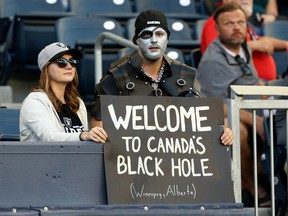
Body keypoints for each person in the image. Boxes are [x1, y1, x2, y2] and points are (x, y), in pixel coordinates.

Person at [90, 9, 234, 146]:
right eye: (146, 34)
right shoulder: (116, 77)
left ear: (167, 39)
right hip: (133, 162)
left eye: (159, 34)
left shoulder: (186, 75)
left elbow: (203, 120)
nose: (154, 40)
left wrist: (222, 133)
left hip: (175, 160)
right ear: (136, 40)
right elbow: (98, 123)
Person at [196, 2, 271, 207]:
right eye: (229, 23)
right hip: (221, 114)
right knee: (237, 131)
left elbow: (251, 80)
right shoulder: (213, 61)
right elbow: (210, 106)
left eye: (240, 22)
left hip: (251, 107)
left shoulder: (242, 46)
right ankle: (249, 184)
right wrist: (254, 120)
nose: (237, 27)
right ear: (218, 29)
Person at [20, 42, 107, 143]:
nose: (69, 66)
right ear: (46, 68)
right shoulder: (34, 101)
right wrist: (83, 135)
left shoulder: (77, 102)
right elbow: (49, 136)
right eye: (61, 62)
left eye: (72, 61)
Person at [200, 0, 288, 81]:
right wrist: (254, 45)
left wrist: (285, 44)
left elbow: (261, 41)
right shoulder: (216, 22)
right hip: (237, 88)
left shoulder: (242, 25)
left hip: (260, 87)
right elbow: (218, 52)